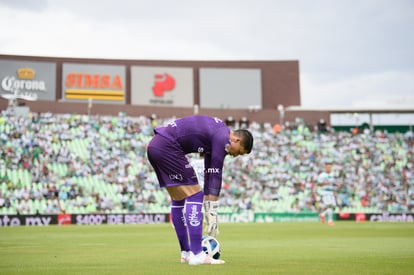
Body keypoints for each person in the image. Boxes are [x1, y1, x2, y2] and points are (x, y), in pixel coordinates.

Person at [146, 115, 253, 265]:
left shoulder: (218, 134)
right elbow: (216, 175)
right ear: (237, 140)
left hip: (155, 146)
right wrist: (212, 212)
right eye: (239, 152)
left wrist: (210, 209)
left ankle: (186, 253)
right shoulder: (223, 139)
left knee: (178, 199)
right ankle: (197, 254)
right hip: (167, 147)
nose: (235, 156)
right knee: (196, 195)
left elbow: (210, 172)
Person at [316, 160, 337, 226]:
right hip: (325, 192)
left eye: (330, 167)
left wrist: (336, 186)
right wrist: (325, 183)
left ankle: (323, 214)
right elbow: (318, 184)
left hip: (331, 192)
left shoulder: (332, 174)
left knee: (333, 206)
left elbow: (332, 183)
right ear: (325, 168)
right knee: (330, 205)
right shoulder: (322, 175)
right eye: (327, 167)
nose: (329, 168)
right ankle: (330, 221)